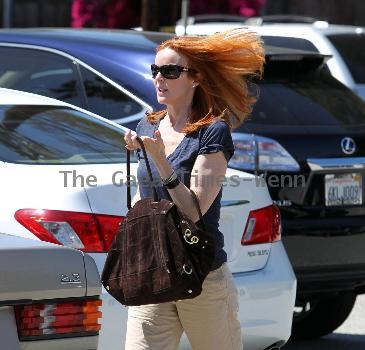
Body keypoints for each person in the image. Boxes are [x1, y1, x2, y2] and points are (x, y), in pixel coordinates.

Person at [123, 28, 265, 350]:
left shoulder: (212, 132)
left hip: (201, 275)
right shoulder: (148, 125)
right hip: (154, 271)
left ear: (196, 77)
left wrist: (162, 162)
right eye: (155, 70)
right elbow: (143, 195)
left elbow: (194, 210)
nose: (160, 79)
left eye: (170, 71)